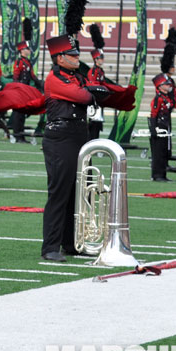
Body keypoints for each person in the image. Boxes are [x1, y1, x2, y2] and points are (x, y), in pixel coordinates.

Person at [41, 35, 108, 262]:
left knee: (76, 193)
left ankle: (70, 243)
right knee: (59, 193)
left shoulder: (75, 76)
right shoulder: (55, 79)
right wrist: (94, 93)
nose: (77, 57)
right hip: (61, 139)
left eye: (77, 54)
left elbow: (94, 90)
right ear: (59, 58)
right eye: (72, 55)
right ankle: (50, 246)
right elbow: (84, 95)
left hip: (78, 136)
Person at [10, 41, 41, 143]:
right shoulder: (19, 62)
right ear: (22, 50)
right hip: (20, 91)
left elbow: (32, 76)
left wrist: (41, 84)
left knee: (22, 114)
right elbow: (15, 77)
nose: (29, 50)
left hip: (25, 91)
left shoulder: (27, 62)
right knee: (18, 114)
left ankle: (21, 136)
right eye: (27, 49)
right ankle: (17, 135)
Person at [149, 74, 176, 181]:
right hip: (159, 127)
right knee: (158, 152)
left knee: (164, 151)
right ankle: (157, 175)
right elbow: (153, 114)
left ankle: (163, 174)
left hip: (166, 126)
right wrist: (153, 129)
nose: (168, 85)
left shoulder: (167, 97)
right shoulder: (158, 99)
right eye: (166, 84)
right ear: (160, 86)